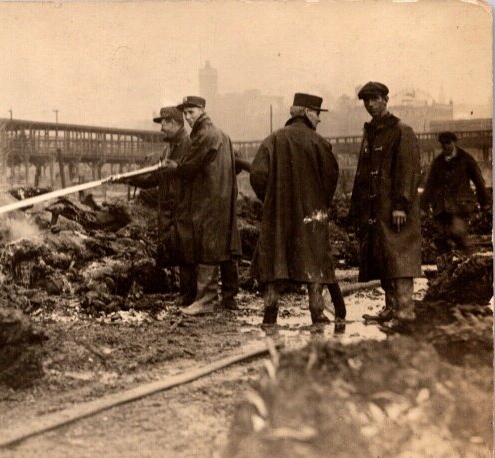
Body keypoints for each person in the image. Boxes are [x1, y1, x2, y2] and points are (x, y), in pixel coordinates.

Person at [249, 93, 340, 325]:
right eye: (318, 114)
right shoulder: (320, 143)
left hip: (277, 215)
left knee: (274, 261)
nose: (319, 119)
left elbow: (257, 174)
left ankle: (270, 312)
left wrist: (269, 200)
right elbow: (331, 179)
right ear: (308, 113)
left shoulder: (273, 139)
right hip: (312, 216)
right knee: (315, 261)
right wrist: (320, 204)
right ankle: (317, 312)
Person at [349, 81, 422, 326]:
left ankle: (404, 313)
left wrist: (401, 204)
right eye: (366, 100)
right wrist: (357, 207)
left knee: (400, 260)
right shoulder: (371, 132)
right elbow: (363, 172)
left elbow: (408, 170)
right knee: (382, 259)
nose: (370, 104)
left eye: (375, 98)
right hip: (376, 210)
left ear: (386, 99)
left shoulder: (402, 130)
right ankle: (391, 308)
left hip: (396, 211)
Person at [161, 96, 242, 315]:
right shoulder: (222, 135)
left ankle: (205, 300)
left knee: (209, 246)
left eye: (192, 112)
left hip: (208, 199)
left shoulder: (204, 135)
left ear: (202, 110)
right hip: (224, 198)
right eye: (185, 113)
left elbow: (190, 167)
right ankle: (230, 297)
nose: (188, 118)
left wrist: (174, 167)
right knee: (225, 245)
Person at [113, 106, 195, 305]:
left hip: (183, 207)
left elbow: (170, 174)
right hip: (170, 207)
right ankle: (185, 293)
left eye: (164, 123)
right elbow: (154, 178)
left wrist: (128, 179)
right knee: (176, 249)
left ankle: (190, 295)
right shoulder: (170, 147)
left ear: (175, 123)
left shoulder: (186, 144)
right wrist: (126, 179)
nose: (161, 129)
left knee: (186, 251)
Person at [421, 131, 490, 252]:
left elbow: (479, 181)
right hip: (442, 208)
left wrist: (484, 201)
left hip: (460, 206)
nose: (445, 146)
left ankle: (468, 259)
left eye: (448, 143)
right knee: (441, 241)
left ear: (454, 143)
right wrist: (423, 206)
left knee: (458, 234)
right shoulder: (437, 162)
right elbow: (429, 185)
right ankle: (449, 266)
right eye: (443, 144)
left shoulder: (466, 159)